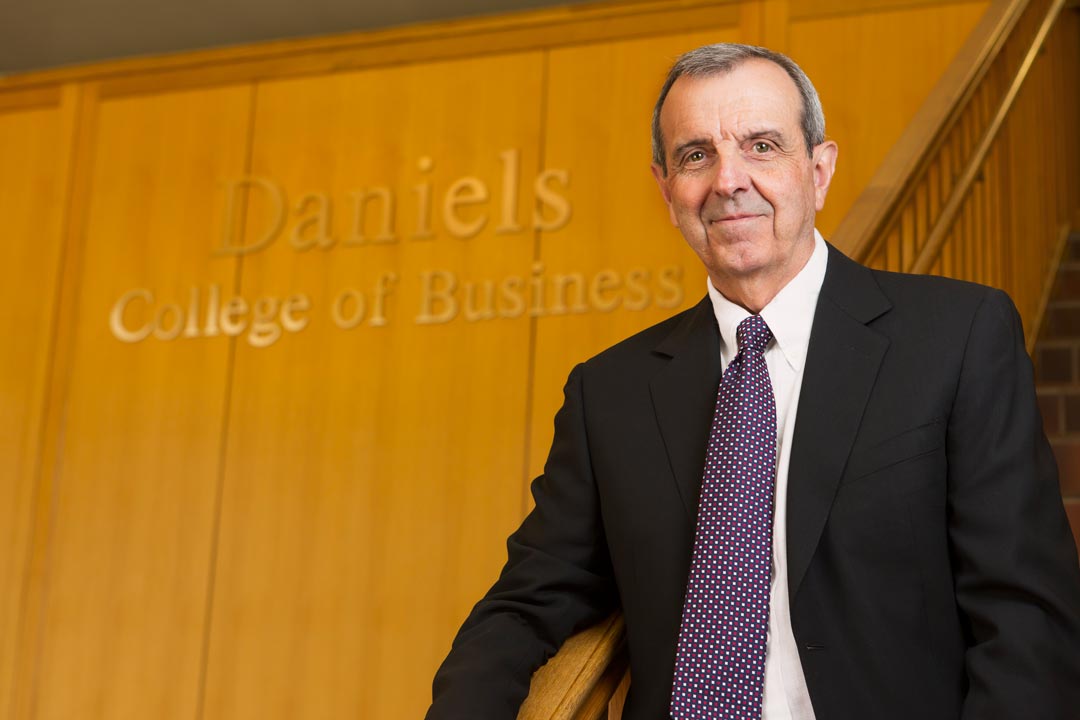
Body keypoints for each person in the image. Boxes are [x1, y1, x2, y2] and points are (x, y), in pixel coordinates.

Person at [426, 43, 1080, 720]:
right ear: (666, 188)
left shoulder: (957, 338)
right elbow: (529, 599)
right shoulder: (609, 393)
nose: (727, 180)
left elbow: (1025, 615)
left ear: (818, 171)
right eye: (695, 155)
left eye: (762, 145)